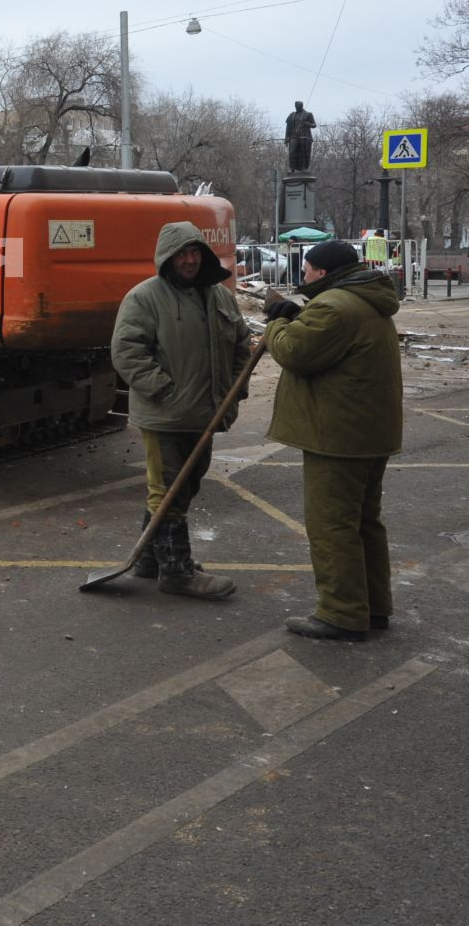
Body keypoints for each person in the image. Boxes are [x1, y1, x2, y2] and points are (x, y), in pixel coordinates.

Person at [262, 239, 403, 640]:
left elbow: (295, 351)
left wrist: (276, 322)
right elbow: (322, 338)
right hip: (369, 431)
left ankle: (341, 612)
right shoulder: (363, 300)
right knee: (363, 522)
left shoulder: (334, 306)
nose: (303, 276)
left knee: (332, 525)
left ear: (322, 273)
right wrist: (296, 314)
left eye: (306, 270)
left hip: (339, 435)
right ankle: (373, 607)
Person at [110, 221, 252, 599]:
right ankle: (176, 571)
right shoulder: (145, 298)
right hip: (165, 414)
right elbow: (127, 353)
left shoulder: (220, 297)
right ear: (167, 258)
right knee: (169, 488)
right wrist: (166, 391)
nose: (189, 260)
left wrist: (233, 392)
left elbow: (241, 346)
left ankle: (150, 560)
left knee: (185, 484)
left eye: (194, 253)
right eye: (181, 254)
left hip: (207, 412)